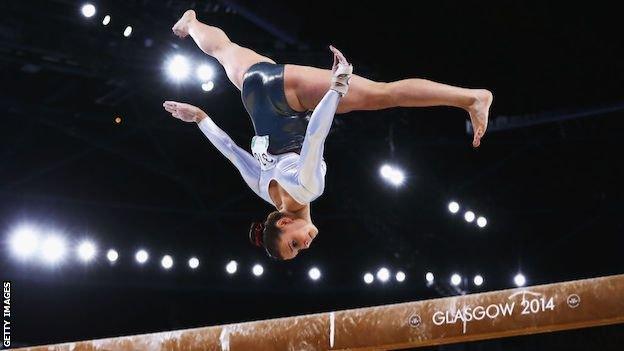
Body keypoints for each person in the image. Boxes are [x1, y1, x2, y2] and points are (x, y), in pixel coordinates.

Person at [164, 10, 494, 260]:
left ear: (282, 224)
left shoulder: (307, 189)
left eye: (294, 244)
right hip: (253, 90)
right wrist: (200, 118)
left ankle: (472, 98)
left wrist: (338, 86)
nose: (304, 245)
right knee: (223, 48)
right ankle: (191, 24)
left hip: (287, 95)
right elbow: (232, 153)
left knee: (385, 94)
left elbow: (315, 137)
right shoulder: (267, 193)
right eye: (299, 250)